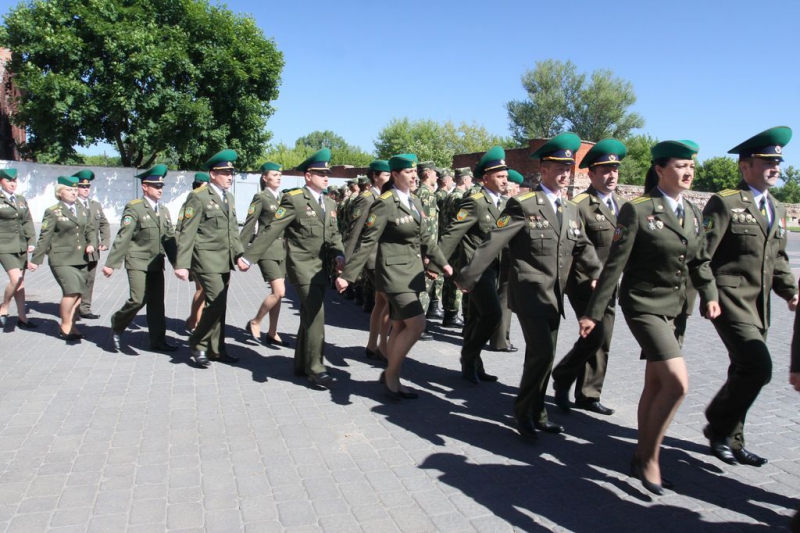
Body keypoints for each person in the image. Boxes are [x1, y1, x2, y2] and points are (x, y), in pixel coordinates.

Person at [579, 139, 720, 495]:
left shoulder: (691, 212)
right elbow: (616, 263)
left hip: (677, 310)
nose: (688, 172)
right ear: (659, 170)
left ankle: (640, 455)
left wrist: (710, 295)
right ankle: (650, 457)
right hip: (643, 305)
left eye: (691, 166)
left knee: (656, 384)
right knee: (677, 384)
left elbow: (700, 260)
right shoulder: (639, 210)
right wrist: (593, 312)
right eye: (680, 166)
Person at [457, 133, 602, 437]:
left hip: (554, 295)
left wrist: (597, 273)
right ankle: (525, 413)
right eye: (558, 167)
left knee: (544, 354)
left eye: (568, 168)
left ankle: (538, 411)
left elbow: (583, 247)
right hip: (529, 292)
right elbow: (492, 242)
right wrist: (468, 277)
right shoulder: (523, 204)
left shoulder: (571, 209)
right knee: (541, 352)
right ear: (543, 170)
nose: (565, 173)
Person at [702, 126, 798, 467]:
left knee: (742, 370)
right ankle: (717, 421)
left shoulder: (778, 207)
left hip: (760, 305)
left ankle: (732, 438)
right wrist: (705, 295)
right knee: (758, 366)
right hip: (729, 299)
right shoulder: (726, 202)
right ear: (746, 167)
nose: (776, 167)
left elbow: (780, 260)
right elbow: (703, 255)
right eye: (767, 161)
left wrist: (791, 292)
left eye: (778, 161)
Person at [336, 154, 453, 401]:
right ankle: (390, 375)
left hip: (412, 273)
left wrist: (445, 264)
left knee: (400, 325)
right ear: (396, 174)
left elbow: (426, 240)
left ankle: (393, 375)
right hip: (392, 273)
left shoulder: (414, 202)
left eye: (414, 172)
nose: (413, 176)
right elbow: (368, 241)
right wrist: (349, 275)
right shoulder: (385, 203)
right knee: (417, 324)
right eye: (408, 172)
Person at [242, 148, 344, 388]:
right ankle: (316, 368)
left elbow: (333, 233)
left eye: (327, 173)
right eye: (321, 173)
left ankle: (300, 364)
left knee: (309, 315)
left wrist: (339, 253)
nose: (326, 177)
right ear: (308, 176)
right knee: (317, 315)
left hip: (322, 269)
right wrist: (249, 257)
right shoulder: (294, 198)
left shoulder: (329, 203)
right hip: (302, 268)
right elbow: (272, 229)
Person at [552, 139, 628, 416]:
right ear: (591, 174)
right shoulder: (580, 205)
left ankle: (588, 394)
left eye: (615, 170)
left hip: (612, 284)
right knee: (596, 335)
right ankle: (563, 376)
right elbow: (574, 246)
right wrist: (591, 275)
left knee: (601, 338)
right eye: (605, 171)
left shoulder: (623, 206)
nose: (611, 176)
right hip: (586, 282)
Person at [439, 146, 509, 384]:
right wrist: (438, 263)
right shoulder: (475, 201)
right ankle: (468, 358)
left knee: (476, 317)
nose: (505, 180)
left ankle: (474, 365)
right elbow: (453, 233)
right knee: (492, 314)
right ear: (486, 177)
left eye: (506, 176)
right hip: (475, 269)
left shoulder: (502, 203)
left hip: (494, 268)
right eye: (500, 176)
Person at [174, 150, 248, 367]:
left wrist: (240, 255)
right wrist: (182, 264)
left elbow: (232, 230)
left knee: (220, 305)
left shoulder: (229, 198)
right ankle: (197, 343)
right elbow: (187, 231)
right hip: (205, 259)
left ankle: (217, 349)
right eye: (225, 172)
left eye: (231, 172)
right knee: (216, 302)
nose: (229, 176)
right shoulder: (198, 196)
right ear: (212, 174)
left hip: (224, 260)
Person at [103, 164, 178, 352]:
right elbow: (124, 236)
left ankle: (158, 341)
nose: (160, 189)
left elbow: (169, 240)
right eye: (155, 186)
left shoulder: (164, 211)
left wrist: (179, 265)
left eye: (161, 187)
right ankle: (117, 324)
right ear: (145, 187)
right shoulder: (134, 208)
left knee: (156, 303)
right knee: (138, 299)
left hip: (156, 263)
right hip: (137, 260)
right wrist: (112, 263)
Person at [29, 175, 97, 341]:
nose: (74, 193)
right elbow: (45, 236)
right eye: (69, 190)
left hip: (81, 258)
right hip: (62, 259)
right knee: (71, 291)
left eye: (75, 189)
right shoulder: (53, 212)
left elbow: (90, 230)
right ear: (60, 193)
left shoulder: (82, 209)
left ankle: (72, 326)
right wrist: (36, 260)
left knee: (79, 294)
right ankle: (65, 325)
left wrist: (92, 243)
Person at [343, 159, 392, 363]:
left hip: (384, 256)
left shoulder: (384, 196)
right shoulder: (367, 198)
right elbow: (354, 231)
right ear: (375, 176)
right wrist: (345, 262)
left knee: (381, 302)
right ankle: (383, 347)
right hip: (373, 257)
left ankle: (373, 345)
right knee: (391, 303)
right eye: (387, 175)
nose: (390, 178)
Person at [240, 162, 289, 347]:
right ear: (265, 177)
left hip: (282, 250)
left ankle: (272, 332)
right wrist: (242, 252)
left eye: (279, 175)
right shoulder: (260, 197)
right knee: (279, 291)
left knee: (279, 295)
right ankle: (255, 321)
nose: (278, 177)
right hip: (266, 249)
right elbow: (249, 224)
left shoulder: (284, 197)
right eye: (274, 174)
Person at [489, 168, 524, 353]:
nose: (517, 189)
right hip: (506, 254)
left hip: (504, 254)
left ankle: (502, 337)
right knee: (504, 297)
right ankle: (500, 339)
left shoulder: (506, 202)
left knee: (505, 296)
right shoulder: (508, 204)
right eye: (515, 185)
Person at [0, 168, 36, 329]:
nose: (12, 184)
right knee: (16, 279)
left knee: (20, 284)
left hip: (20, 245)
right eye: (8, 181)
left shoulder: (20, 199)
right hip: (4, 245)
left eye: (14, 181)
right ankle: (4, 306)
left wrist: (31, 241)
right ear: (1, 181)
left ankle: (22, 317)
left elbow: (27, 221)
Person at [73, 170, 110, 320]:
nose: (86, 189)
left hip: (93, 251)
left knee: (89, 279)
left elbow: (104, 223)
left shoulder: (95, 205)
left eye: (88, 187)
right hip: (76, 251)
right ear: (76, 188)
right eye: (82, 187)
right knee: (76, 280)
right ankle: (73, 308)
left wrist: (105, 241)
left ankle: (85, 308)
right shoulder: (71, 205)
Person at [183, 173, 209, 333]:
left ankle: (193, 319)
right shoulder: (192, 202)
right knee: (202, 288)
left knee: (205, 289)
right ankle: (194, 323)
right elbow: (184, 229)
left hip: (207, 253)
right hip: (196, 252)